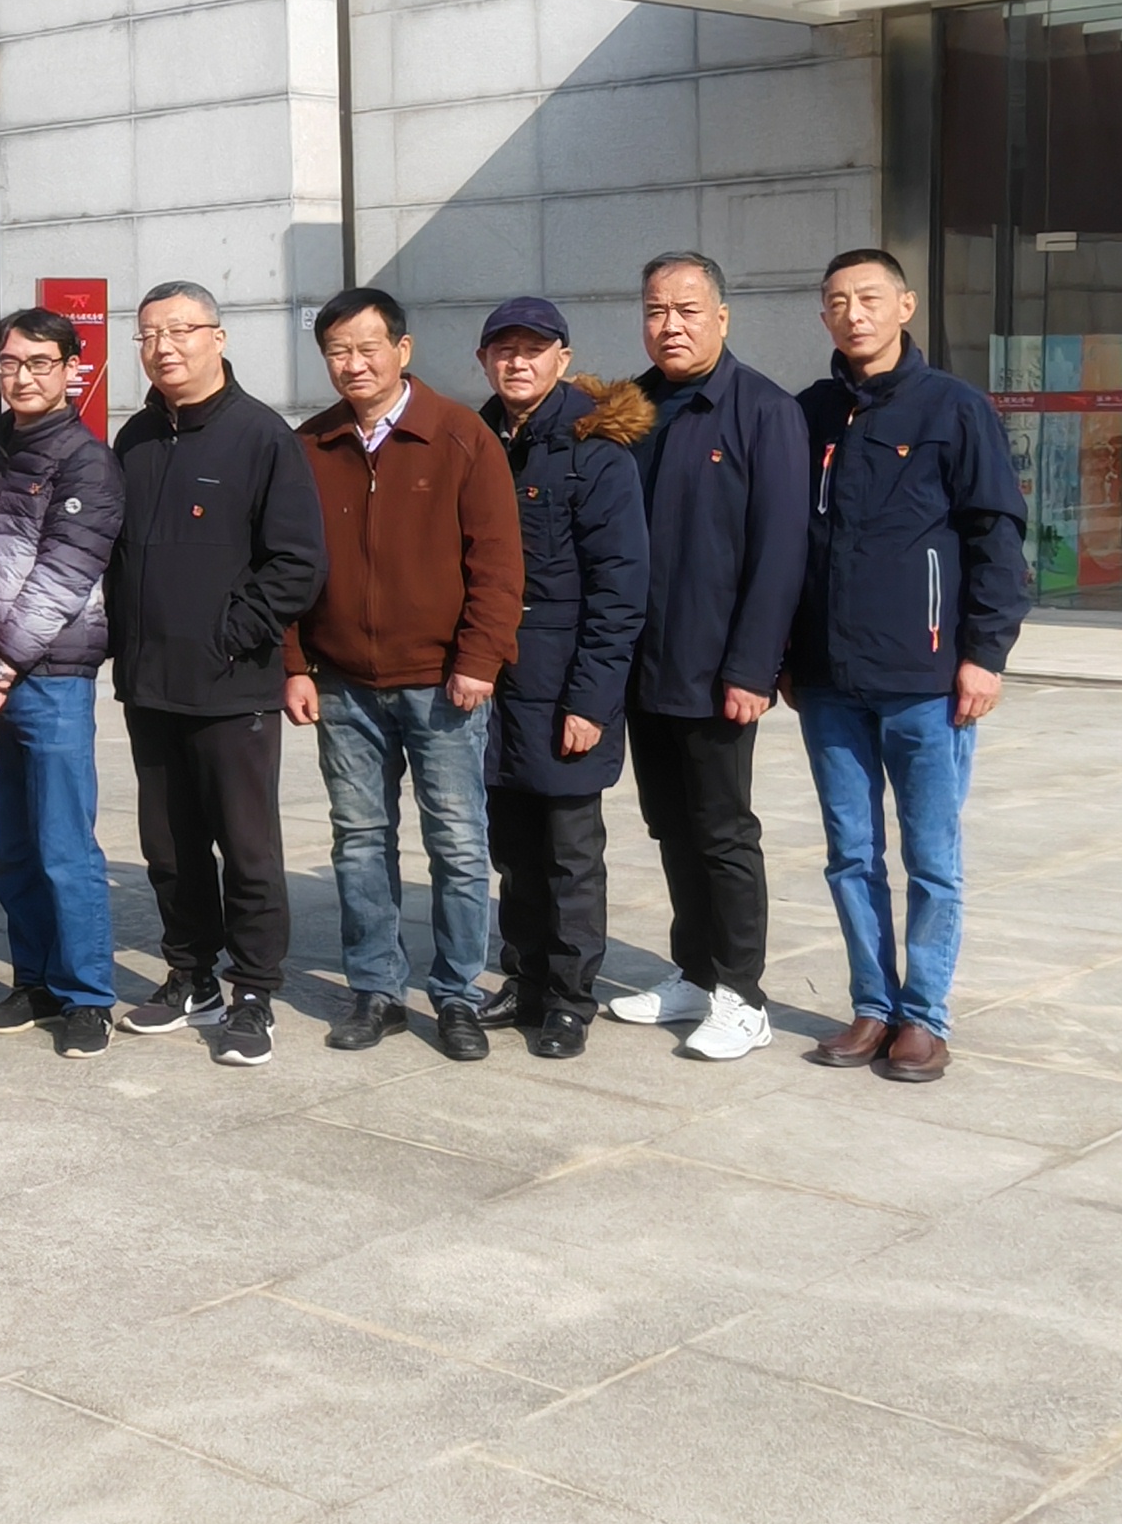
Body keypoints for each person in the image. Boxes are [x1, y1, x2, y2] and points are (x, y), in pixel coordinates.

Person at [789, 248, 1030, 1082]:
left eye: (868, 298)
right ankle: (871, 1006)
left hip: (925, 680)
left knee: (931, 858)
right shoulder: (811, 413)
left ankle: (923, 1016)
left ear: (905, 306)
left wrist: (984, 656)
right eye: (836, 301)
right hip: (829, 680)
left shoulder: (954, 409)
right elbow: (788, 543)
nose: (852, 314)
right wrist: (788, 655)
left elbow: (997, 538)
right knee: (850, 853)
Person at [283, 287, 523, 1060]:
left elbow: (498, 564)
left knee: (457, 844)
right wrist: (295, 663)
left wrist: (480, 659)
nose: (353, 364)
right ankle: (376, 990)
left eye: (367, 348)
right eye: (337, 352)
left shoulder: (459, 436)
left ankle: (456, 993)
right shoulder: (310, 445)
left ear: (402, 350)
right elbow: (282, 562)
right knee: (359, 841)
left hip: (443, 683)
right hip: (343, 682)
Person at [105, 280, 324, 1065]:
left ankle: (254, 991)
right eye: (149, 334)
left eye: (180, 330)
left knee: (248, 847)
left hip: (233, 686)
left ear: (218, 338)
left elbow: (297, 563)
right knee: (169, 845)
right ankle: (190, 975)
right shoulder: (134, 439)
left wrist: (230, 634)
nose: (163, 347)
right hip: (149, 682)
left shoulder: (262, 436)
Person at [610, 250, 810, 1062]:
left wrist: (752, 668)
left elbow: (781, 551)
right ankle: (692, 972)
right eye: (656, 311)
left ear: (721, 318)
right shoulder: (630, 410)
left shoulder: (764, 411)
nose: (671, 326)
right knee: (669, 825)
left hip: (716, 666)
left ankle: (743, 995)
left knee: (723, 830)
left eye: (688, 310)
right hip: (640, 665)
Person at [473, 300, 651, 1060]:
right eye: (503, 350)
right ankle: (525, 978)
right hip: (494, 688)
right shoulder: (477, 442)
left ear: (562, 359)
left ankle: (571, 998)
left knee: (569, 854)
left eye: (533, 350)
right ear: (485, 361)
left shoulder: (596, 452)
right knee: (512, 848)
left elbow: (620, 590)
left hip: (565, 691)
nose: (517, 362)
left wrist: (591, 702)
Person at [0, 306, 125, 1058]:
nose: (22, 377)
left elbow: (61, 578)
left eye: (39, 363)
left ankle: (87, 996)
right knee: (12, 850)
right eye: (9, 362)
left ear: (70, 371)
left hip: (48, 680)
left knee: (64, 848)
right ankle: (36, 981)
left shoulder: (87, 462)